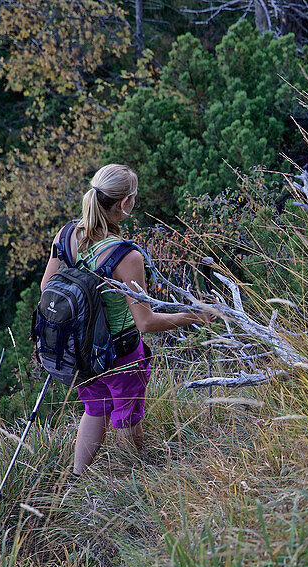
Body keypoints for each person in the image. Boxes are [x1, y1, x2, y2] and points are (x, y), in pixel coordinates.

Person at [40, 163, 211, 475]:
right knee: (127, 416)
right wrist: (195, 316)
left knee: (95, 409)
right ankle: (128, 482)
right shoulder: (125, 256)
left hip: (80, 352)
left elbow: (45, 288)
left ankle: (77, 477)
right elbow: (145, 322)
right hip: (121, 353)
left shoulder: (66, 236)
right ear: (125, 203)